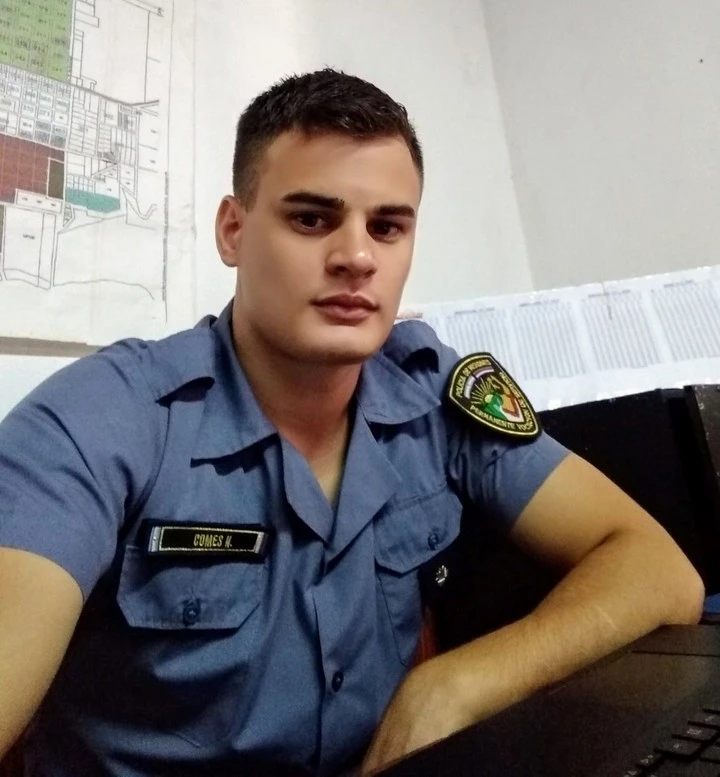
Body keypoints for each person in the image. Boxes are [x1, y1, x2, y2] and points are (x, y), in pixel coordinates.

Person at [0, 68, 703, 777]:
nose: (357, 258)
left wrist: (454, 685)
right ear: (233, 230)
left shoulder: (434, 398)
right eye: (311, 219)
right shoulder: (102, 419)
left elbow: (658, 569)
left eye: (387, 227)